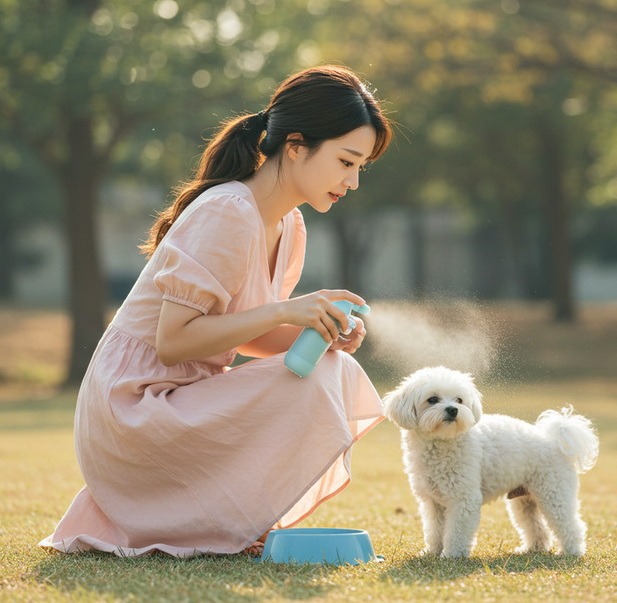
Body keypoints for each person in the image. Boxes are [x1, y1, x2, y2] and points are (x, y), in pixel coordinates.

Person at [39, 65, 394, 558]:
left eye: (360, 167)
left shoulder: (289, 227)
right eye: (346, 161)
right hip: (134, 408)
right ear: (295, 146)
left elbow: (240, 338)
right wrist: (285, 311)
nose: (352, 181)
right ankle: (211, 522)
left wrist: (314, 331)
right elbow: (175, 340)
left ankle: (217, 522)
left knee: (331, 367)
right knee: (322, 382)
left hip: (184, 396)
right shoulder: (228, 210)